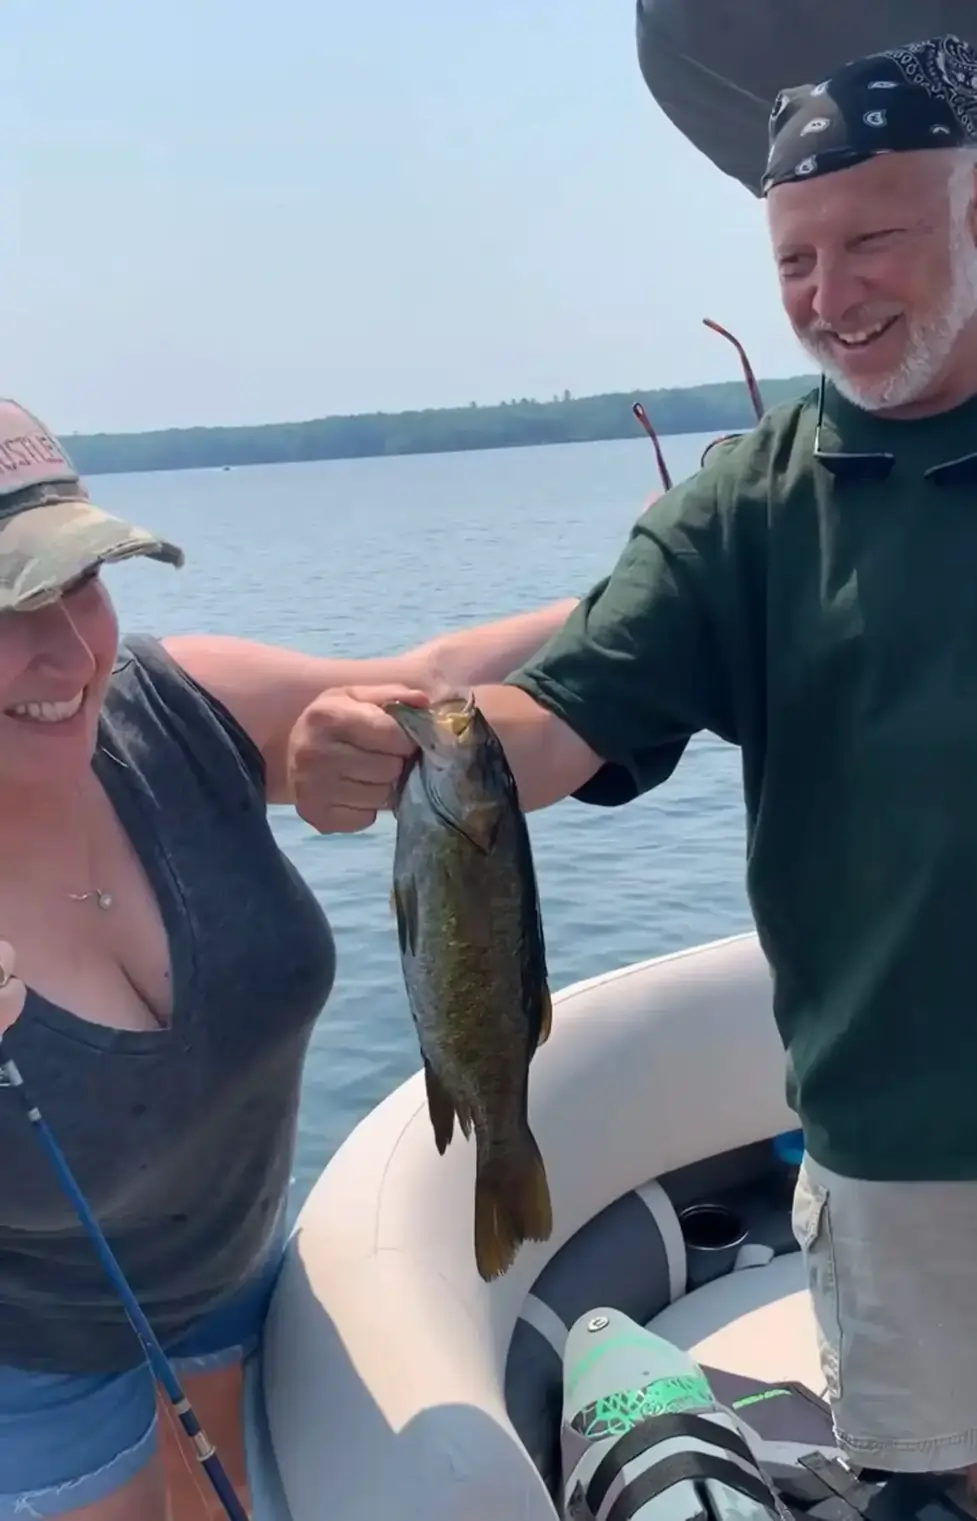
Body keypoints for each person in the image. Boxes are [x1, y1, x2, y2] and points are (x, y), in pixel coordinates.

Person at [293, 33, 977, 1512]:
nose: (828, 295)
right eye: (795, 259)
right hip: (896, 1146)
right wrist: (378, 742)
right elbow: (546, 725)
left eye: (873, 239)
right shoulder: (751, 509)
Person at [0, 397, 578, 1521]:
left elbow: (434, 676)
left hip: (230, 1280)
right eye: (9, 604)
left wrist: (678, 565)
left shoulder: (173, 706)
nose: (69, 649)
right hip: (38, 1366)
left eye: (83, 582)